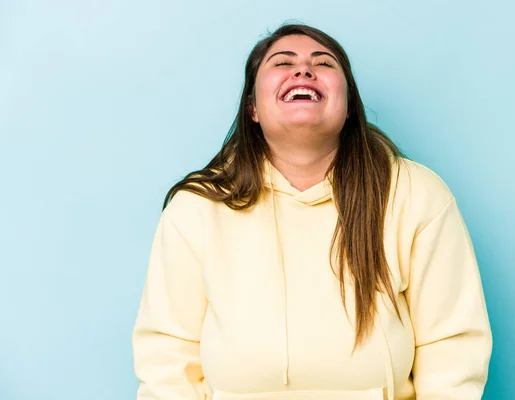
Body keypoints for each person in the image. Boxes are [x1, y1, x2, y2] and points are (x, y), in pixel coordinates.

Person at [132, 22, 493, 400]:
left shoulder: (416, 194)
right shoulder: (199, 206)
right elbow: (168, 353)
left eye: (323, 63)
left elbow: (452, 345)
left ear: (350, 106)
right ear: (252, 107)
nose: (303, 70)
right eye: (282, 63)